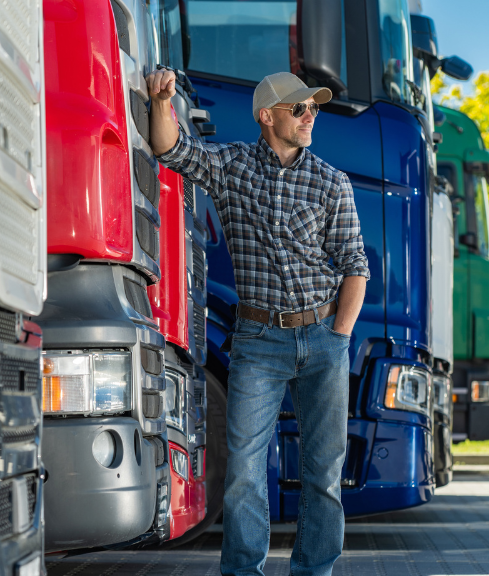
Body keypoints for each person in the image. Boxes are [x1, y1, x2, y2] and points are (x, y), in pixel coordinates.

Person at [145, 69, 369, 576]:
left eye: (314, 109)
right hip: (257, 340)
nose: (311, 117)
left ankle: (314, 571)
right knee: (245, 470)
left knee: (323, 473)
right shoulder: (232, 166)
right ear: (268, 116)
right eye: (300, 109)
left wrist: (339, 336)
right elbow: (171, 150)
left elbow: (355, 265)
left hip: (323, 338)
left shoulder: (332, 181)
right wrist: (161, 101)